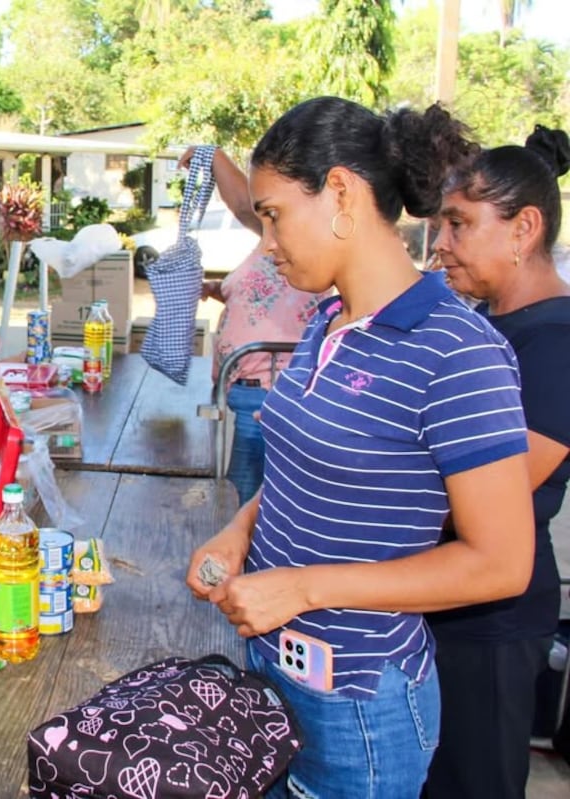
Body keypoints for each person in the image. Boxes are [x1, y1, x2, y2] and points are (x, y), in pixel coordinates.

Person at [186, 97, 536, 799]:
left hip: (358, 704)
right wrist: (237, 528)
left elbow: (501, 564)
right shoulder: (326, 320)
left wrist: (305, 585)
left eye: (274, 212)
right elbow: (300, 475)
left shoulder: (459, 351)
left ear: (341, 192)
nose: (267, 238)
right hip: (276, 662)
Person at [423, 125, 570, 799]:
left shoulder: (556, 344)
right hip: (439, 600)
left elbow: (496, 494)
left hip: (491, 623)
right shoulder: (483, 327)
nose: (440, 244)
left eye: (458, 224)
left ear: (524, 227)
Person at [187, 145, 327, 504]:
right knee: (242, 493)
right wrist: (221, 290)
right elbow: (268, 296)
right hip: (246, 387)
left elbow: (240, 203)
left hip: (268, 388)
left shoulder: (306, 244)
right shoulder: (272, 241)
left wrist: (215, 157)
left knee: (245, 498)